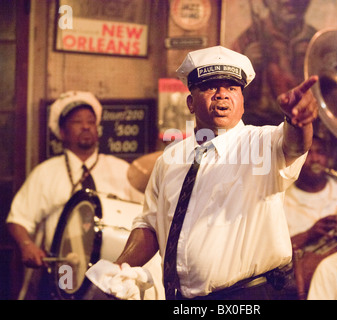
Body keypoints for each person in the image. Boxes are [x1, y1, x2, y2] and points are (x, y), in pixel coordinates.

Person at [114, 45, 319, 300]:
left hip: (247, 297)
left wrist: (299, 121)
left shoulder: (261, 145)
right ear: (190, 102)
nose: (222, 95)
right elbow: (150, 225)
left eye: (232, 88)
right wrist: (117, 270)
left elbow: (295, 145)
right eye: (210, 87)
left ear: (242, 102)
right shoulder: (169, 160)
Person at [6, 91, 149, 300]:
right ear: (62, 132)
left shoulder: (123, 171)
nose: (86, 126)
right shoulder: (45, 173)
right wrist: (27, 245)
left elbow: (146, 217)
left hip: (114, 276)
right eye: (77, 122)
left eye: (91, 122)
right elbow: (17, 219)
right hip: (63, 273)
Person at [280, 132, 337, 298]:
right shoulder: (281, 199)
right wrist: (309, 234)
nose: (315, 159)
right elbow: (274, 255)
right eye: (309, 153)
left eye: (321, 153)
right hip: (299, 288)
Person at [232, 0, 316, 126]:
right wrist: (246, 68)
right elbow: (228, 95)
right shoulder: (248, 39)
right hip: (258, 127)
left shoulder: (317, 41)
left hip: (304, 127)